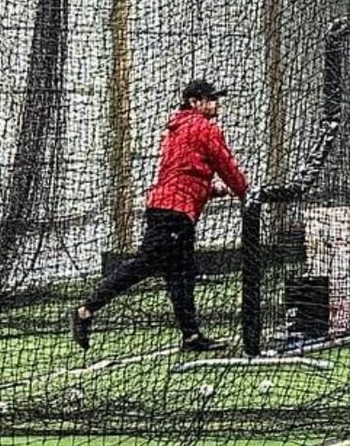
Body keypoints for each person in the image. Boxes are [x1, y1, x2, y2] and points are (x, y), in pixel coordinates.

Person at [71, 79, 249, 353]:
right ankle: (86, 309)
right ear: (194, 102)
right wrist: (245, 192)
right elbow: (224, 163)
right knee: (145, 264)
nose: (216, 104)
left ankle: (191, 336)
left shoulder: (177, 128)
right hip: (174, 213)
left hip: (168, 208)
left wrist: (211, 190)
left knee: (182, 274)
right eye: (211, 99)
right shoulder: (203, 127)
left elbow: (183, 172)